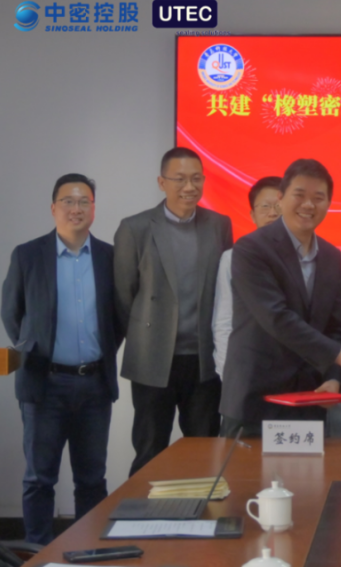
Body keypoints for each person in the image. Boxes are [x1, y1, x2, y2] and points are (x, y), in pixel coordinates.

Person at [1, 174, 123, 544]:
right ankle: (37, 553)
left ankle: (88, 553)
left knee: (92, 479)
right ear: (54, 208)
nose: (76, 208)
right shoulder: (28, 255)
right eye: (68, 201)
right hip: (44, 384)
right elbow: (11, 313)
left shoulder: (109, 257)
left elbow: (118, 319)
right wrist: (35, 348)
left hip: (94, 386)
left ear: (94, 209)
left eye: (84, 201)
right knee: (39, 478)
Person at [219, 159, 341, 436]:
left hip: (310, 397)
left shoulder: (331, 256)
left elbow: (336, 326)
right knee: (245, 467)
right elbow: (277, 318)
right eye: (299, 195)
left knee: (307, 467)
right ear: (281, 198)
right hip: (256, 397)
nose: (308, 205)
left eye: (318, 198)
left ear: (329, 203)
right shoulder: (251, 248)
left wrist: (334, 377)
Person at [114, 147, 233, 476]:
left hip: (204, 362)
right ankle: (143, 508)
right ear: (161, 182)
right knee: (150, 451)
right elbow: (123, 297)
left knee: (205, 453)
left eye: (196, 179)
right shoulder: (135, 228)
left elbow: (225, 291)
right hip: (153, 360)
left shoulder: (219, 225)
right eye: (179, 179)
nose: (189, 187)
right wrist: (146, 335)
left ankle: (202, 509)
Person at [212, 176, 282, 380]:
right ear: (252, 215)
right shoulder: (233, 258)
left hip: (295, 372)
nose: (272, 213)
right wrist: (227, 373)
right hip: (247, 369)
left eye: (279, 206)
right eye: (265, 206)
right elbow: (224, 320)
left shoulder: (306, 257)